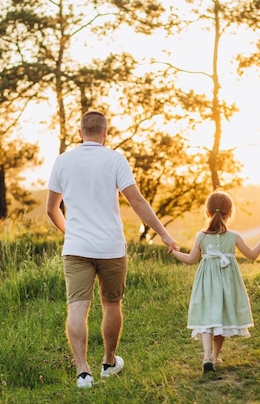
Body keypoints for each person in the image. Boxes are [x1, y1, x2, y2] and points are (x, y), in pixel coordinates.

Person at [46, 110, 179, 388]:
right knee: (111, 303)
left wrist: (71, 233)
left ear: (80, 133)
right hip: (111, 248)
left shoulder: (63, 161)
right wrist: (164, 234)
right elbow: (137, 202)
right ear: (106, 133)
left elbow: (52, 209)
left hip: (76, 248)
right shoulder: (115, 160)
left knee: (77, 308)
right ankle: (108, 362)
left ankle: (83, 372)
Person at [170, 191, 260, 373]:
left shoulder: (201, 236)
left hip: (207, 282)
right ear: (230, 213)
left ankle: (206, 356)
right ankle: (215, 356)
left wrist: (174, 251)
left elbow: (191, 259)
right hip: (227, 283)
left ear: (207, 212)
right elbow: (253, 255)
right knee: (220, 316)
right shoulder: (234, 236)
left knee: (208, 316)